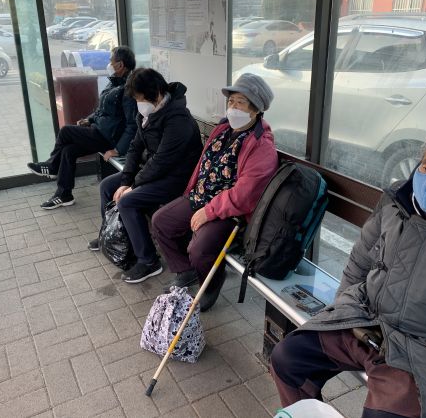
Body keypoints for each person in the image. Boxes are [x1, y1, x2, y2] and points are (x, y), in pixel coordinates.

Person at [270, 120, 426, 418]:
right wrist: (341, 312)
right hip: (367, 319)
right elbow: (360, 260)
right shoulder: (397, 201)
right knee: (288, 359)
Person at [151, 73, 278, 312]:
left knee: (199, 249)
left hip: (230, 213)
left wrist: (208, 212)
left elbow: (245, 195)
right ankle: (185, 270)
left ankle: (210, 284)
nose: (233, 107)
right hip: (201, 197)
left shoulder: (261, 145)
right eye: (231, 101)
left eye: (241, 102)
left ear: (256, 109)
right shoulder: (223, 128)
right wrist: (191, 193)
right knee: (161, 222)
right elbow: (204, 165)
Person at [94, 68, 203, 284]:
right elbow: (135, 148)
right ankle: (112, 234)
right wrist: (126, 181)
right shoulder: (147, 114)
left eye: (140, 99)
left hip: (177, 178)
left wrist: (133, 186)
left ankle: (148, 260)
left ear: (157, 93)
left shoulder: (178, 119)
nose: (138, 104)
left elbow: (163, 160)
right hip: (155, 172)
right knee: (108, 186)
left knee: (128, 201)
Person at [28, 46, 138, 209]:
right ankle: (64, 195)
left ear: (120, 65)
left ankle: (52, 166)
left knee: (66, 131)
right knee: (68, 151)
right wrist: (89, 119)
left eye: (111, 61)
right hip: (99, 132)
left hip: (108, 138)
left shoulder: (128, 89)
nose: (109, 63)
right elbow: (102, 111)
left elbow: (132, 124)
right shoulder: (114, 82)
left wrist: (117, 150)